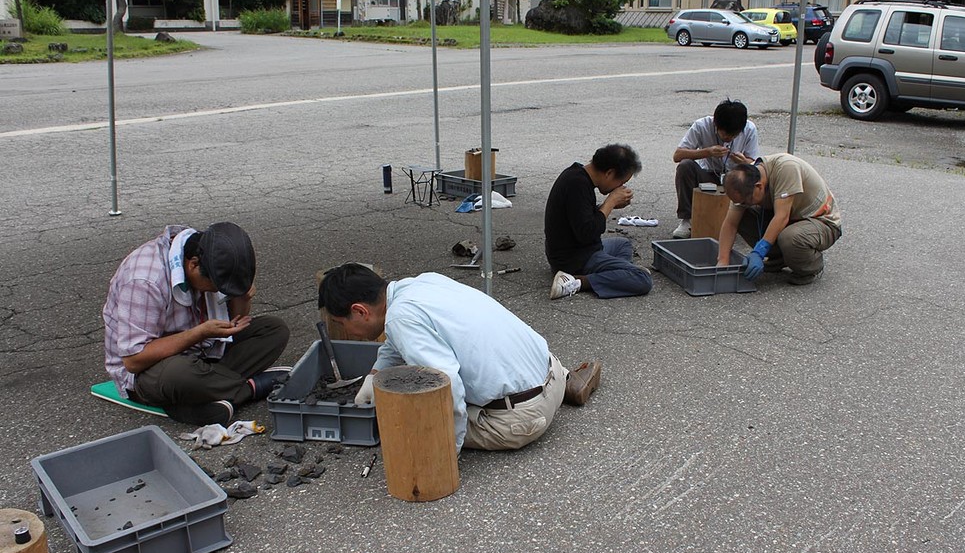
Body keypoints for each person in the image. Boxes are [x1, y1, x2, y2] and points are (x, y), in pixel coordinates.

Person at [318, 264, 602, 453]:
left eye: (342, 324)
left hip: (521, 420)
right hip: (551, 370)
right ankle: (569, 383)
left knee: (407, 419)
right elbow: (396, 341)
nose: (346, 331)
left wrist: (445, 449)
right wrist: (375, 374)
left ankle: (534, 409)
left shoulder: (401, 318)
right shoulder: (421, 284)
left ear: (360, 311)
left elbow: (447, 383)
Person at [103, 223, 290, 426]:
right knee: (180, 374)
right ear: (193, 265)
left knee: (274, 330)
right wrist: (198, 334)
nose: (216, 291)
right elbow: (133, 360)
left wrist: (242, 299)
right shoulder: (145, 280)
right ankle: (249, 389)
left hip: (204, 355)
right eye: (216, 286)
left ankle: (209, 394)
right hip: (150, 371)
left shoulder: (209, 253)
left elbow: (233, 323)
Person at [545, 143, 654, 300]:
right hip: (573, 259)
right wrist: (610, 203)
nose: (621, 187)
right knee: (643, 280)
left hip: (576, 250)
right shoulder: (577, 184)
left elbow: (579, 214)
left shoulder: (577, 175)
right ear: (609, 173)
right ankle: (578, 281)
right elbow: (587, 233)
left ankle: (618, 275)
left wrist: (609, 205)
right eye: (621, 181)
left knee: (623, 244)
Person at [718, 154, 842, 286]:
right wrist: (722, 262)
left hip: (821, 221)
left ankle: (810, 266)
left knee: (790, 238)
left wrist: (759, 252)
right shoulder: (744, 183)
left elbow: (781, 217)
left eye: (746, 201)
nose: (744, 203)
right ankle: (781, 258)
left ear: (759, 186)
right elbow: (731, 224)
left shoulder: (787, 168)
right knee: (742, 217)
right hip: (791, 220)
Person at [672, 99, 760, 239]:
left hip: (734, 178)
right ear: (716, 125)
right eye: (725, 135)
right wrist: (707, 152)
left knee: (755, 177)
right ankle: (687, 220)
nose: (728, 139)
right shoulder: (701, 125)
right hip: (708, 175)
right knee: (685, 166)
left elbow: (755, 164)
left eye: (734, 136)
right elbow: (678, 155)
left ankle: (742, 220)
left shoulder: (750, 129)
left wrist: (745, 162)